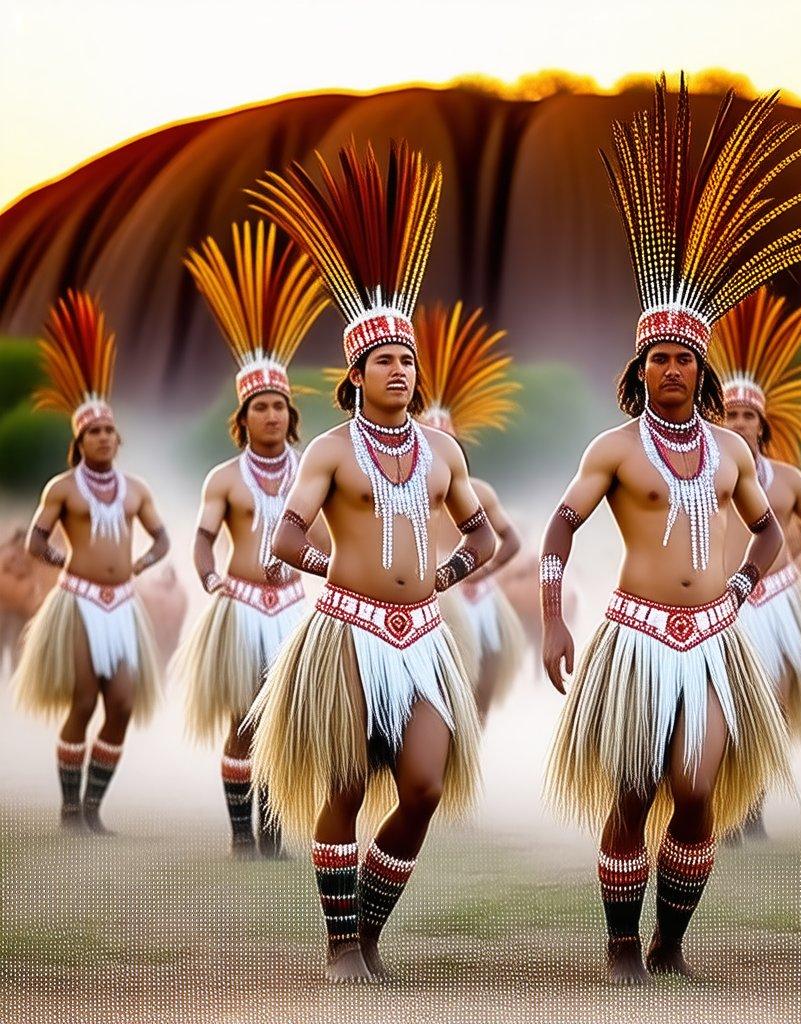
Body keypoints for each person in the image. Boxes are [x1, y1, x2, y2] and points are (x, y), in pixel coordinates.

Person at [543, 73, 801, 984]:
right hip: (633, 638)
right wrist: (553, 617)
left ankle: (671, 942)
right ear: (640, 366)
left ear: (703, 372)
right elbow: (558, 525)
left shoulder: (737, 454)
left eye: (685, 359)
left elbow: (772, 532)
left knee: (698, 791)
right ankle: (623, 946)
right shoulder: (615, 448)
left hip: (712, 640)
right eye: (659, 356)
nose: (672, 368)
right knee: (631, 793)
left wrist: (743, 590)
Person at [245, 139, 496, 982]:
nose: (400, 369)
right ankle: (340, 945)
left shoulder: (443, 452)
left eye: (408, 360)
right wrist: (332, 573)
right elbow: (283, 539)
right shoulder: (329, 450)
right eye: (384, 360)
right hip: (346, 632)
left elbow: (484, 537)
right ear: (355, 376)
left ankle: (370, 927)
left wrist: (446, 577)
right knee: (347, 787)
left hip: (421, 635)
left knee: (424, 785)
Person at [173, 219, 329, 856]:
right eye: (260, 407)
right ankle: (243, 837)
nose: (271, 414)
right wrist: (211, 580)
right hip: (239, 606)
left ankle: (274, 832)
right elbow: (203, 539)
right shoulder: (223, 478)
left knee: (283, 718)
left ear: (293, 415)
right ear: (243, 418)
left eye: (280, 406)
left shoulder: (314, 470)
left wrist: (331, 571)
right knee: (241, 718)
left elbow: (330, 533)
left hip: (294, 605)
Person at [12, 290, 168, 834]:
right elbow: (36, 541)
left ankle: (94, 809)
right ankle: (68, 810)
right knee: (82, 699)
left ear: (118, 438)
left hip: (121, 604)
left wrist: (140, 566)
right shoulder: (63, 488)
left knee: (121, 705)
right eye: (92, 432)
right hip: (77, 602)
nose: (102, 437)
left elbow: (162, 540)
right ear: (79, 441)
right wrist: (66, 564)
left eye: (108, 430)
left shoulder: (135, 490)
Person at [713, 288, 801, 838]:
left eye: (749, 416)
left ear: (763, 424)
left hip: (783, 601)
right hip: (728, 603)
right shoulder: (708, 470)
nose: (741, 423)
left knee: (780, 709)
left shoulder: (789, 480)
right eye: (732, 414)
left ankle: (757, 806)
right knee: (733, 705)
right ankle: (731, 806)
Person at [416, 300, 526, 722]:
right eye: (429, 442)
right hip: (430, 598)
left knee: (476, 704)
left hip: (477, 601)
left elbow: (509, 538)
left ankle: (464, 765)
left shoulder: (476, 491)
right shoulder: (408, 489)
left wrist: (484, 570)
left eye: (446, 444)